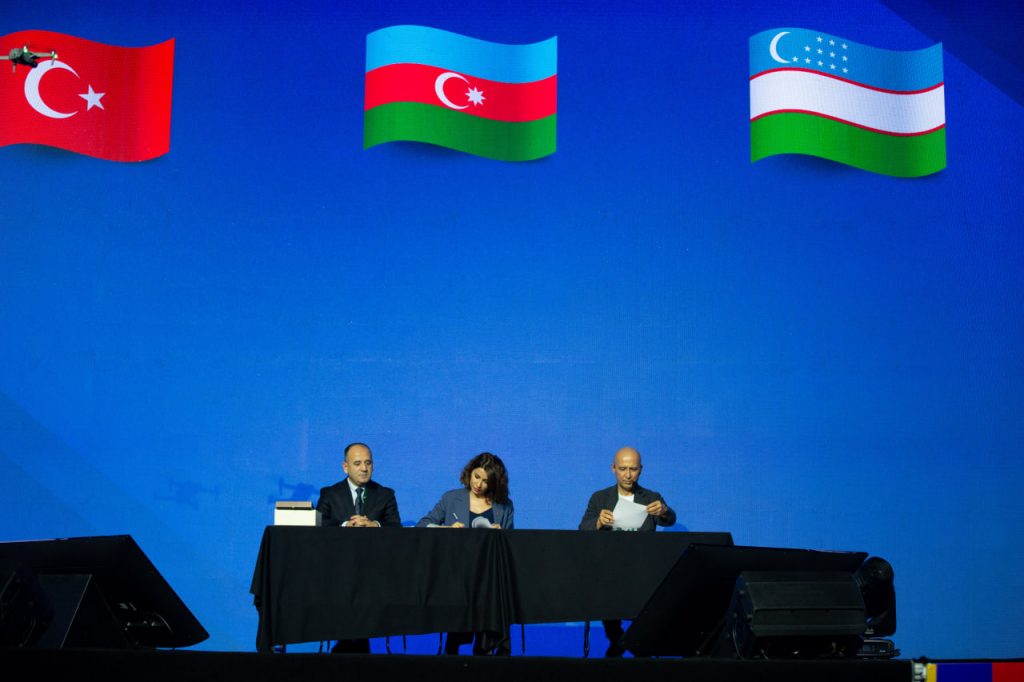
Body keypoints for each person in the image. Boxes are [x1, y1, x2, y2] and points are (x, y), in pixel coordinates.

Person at [578, 446, 675, 657]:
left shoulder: (651, 497)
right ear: (613, 468)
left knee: (654, 590)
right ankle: (617, 639)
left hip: (642, 567)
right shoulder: (600, 498)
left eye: (633, 469)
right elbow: (582, 529)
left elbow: (670, 520)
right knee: (603, 583)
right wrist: (598, 523)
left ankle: (636, 640)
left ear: (641, 469)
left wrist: (663, 511)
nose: (628, 475)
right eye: (623, 469)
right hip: (609, 566)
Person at [417, 452, 513, 655]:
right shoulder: (451, 498)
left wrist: (501, 535)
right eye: (476, 477)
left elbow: (510, 546)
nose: (479, 484)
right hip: (456, 575)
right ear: (469, 472)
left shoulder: (504, 506)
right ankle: (453, 654)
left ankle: (487, 651)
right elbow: (423, 525)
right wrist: (446, 530)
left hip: (489, 579)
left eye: (486, 481)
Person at [316, 442, 401, 653]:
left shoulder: (385, 494)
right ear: (345, 467)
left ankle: (354, 646)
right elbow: (319, 525)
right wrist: (346, 525)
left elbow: (396, 528)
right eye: (357, 463)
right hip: (338, 570)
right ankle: (350, 645)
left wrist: (375, 525)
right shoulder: (330, 494)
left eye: (368, 463)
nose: (364, 468)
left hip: (373, 572)